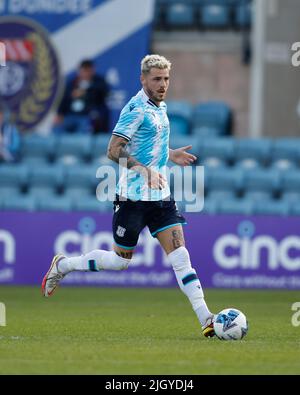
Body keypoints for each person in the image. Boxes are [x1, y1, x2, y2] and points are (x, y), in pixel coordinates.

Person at [42, 54, 215, 338]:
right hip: (131, 199)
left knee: (181, 258)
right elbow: (113, 150)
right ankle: (64, 265)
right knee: (121, 261)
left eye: (166, 79)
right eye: (157, 79)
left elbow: (150, 143)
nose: (162, 84)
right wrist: (143, 170)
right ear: (143, 79)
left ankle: (206, 318)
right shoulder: (135, 108)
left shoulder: (160, 107)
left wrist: (170, 155)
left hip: (161, 197)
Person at [53, 59, 110, 134]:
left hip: (86, 116)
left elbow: (104, 92)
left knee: (83, 130)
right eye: (84, 70)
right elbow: (64, 99)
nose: (86, 73)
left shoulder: (99, 82)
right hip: (70, 115)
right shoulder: (72, 83)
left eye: (88, 70)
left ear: (92, 70)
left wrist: (86, 91)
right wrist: (59, 113)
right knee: (57, 128)